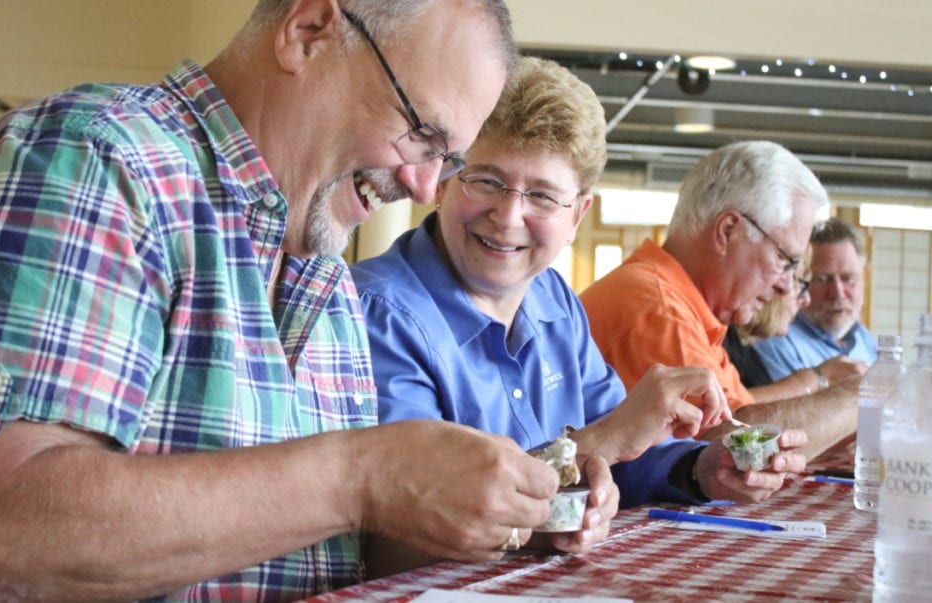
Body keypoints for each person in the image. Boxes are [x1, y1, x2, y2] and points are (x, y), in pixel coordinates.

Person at [0, 0, 568, 601]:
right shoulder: (102, 161)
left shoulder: (323, 269)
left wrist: (509, 510)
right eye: (422, 133)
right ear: (308, 33)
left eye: (446, 161)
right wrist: (361, 474)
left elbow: (331, 548)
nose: (425, 188)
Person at [352, 60, 808, 572]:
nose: (508, 217)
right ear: (442, 182)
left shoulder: (553, 299)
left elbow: (627, 454)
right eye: (486, 181)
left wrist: (706, 469)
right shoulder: (377, 312)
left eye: (543, 196)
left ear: (577, 216)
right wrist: (598, 442)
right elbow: (411, 520)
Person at [580, 141, 858, 459]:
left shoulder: (696, 311)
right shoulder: (657, 307)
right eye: (785, 260)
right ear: (727, 231)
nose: (786, 285)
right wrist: (859, 396)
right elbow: (728, 448)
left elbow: (745, 418)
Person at [755, 218, 876, 381]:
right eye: (821, 279)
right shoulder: (778, 341)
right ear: (798, 279)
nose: (838, 292)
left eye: (849, 278)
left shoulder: (863, 337)